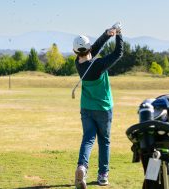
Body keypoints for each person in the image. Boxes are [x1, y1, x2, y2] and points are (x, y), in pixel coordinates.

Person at [73, 23, 123, 189]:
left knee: (88, 139)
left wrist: (107, 34)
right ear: (88, 48)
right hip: (103, 109)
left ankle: (82, 167)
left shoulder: (78, 64)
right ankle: (103, 175)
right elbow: (118, 53)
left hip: (86, 108)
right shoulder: (98, 65)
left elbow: (92, 49)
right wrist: (119, 35)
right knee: (104, 141)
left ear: (75, 51)